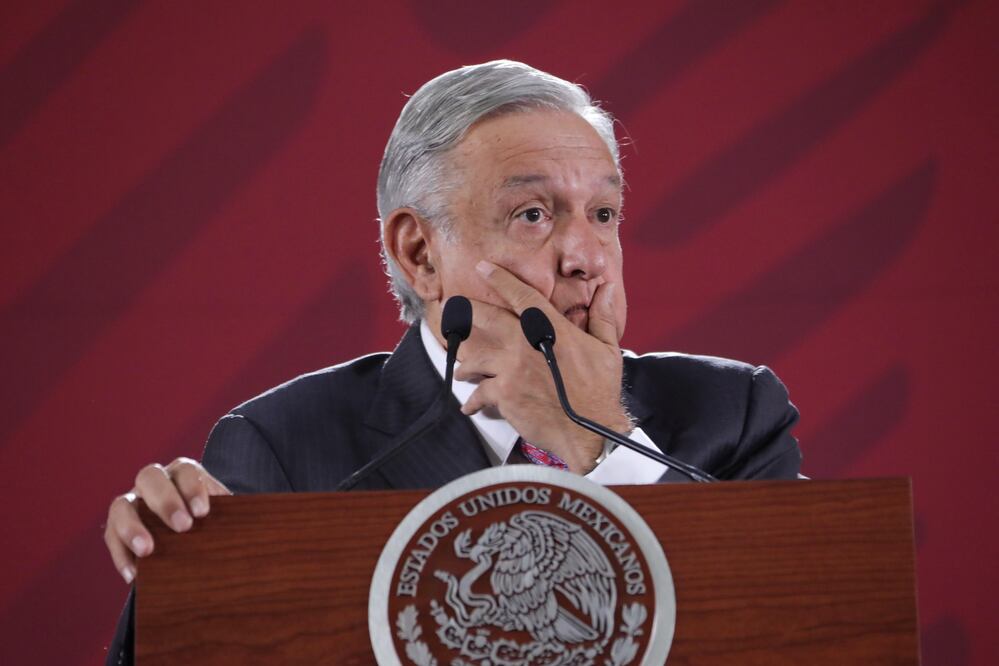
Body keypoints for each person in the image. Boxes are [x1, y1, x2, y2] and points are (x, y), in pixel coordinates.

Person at [104, 60, 801, 664]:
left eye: (604, 214)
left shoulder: (733, 417)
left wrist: (593, 434)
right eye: (533, 214)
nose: (585, 258)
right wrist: (177, 577)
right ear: (419, 253)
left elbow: (789, 635)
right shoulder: (285, 447)